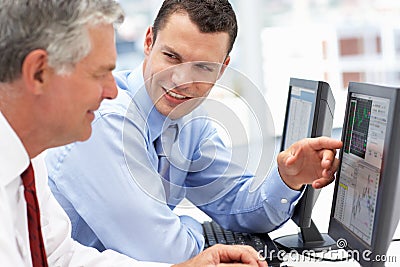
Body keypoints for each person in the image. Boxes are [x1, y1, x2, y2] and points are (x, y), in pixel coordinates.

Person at [45, 0, 343, 264]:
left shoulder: (189, 120)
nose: (180, 81)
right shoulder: (106, 119)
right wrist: (190, 225)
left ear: (223, 69)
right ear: (149, 42)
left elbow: (239, 207)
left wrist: (287, 178)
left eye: (202, 67)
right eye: (172, 57)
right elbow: (166, 253)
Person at [0, 0, 267, 266]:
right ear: (38, 73)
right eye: (98, 74)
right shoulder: (106, 120)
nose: (112, 90)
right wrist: (194, 231)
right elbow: (163, 250)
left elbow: (62, 257)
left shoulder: (29, 164)